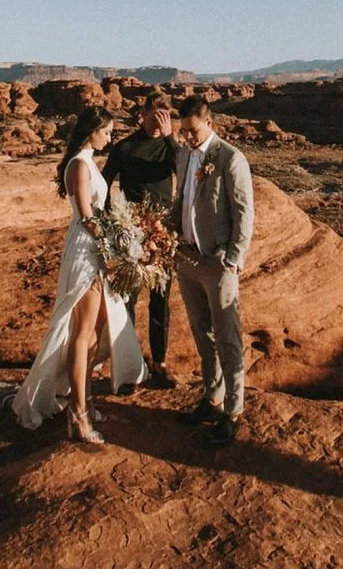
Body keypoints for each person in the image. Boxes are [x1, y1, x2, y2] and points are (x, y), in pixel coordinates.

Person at [12, 105, 147, 442]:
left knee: (97, 328)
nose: (110, 138)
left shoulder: (87, 162)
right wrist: (118, 241)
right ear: (92, 132)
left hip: (96, 248)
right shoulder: (79, 165)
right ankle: (78, 415)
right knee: (82, 332)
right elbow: (88, 216)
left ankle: (82, 399)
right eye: (107, 132)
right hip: (87, 251)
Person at [172, 94, 254, 448]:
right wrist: (166, 232)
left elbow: (243, 213)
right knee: (202, 335)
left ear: (210, 124)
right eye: (184, 131)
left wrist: (234, 258)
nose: (188, 137)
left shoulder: (230, 159)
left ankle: (233, 412)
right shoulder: (184, 155)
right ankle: (212, 399)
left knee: (227, 338)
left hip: (218, 263)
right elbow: (182, 200)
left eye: (193, 131)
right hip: (187, 257)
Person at [102, 91, 179, 389]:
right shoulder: (125, 148)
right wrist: (117, 224)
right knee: (128, 301)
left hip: (163, 236)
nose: (158, 123)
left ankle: (159, 364)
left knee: (160, 300)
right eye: (154, 116)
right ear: (142, 114)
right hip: (131, 235)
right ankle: (129, 369)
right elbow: (103, 185)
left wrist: (171, 138)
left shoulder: (170, 148)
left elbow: (184, 171)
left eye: (164, 117)